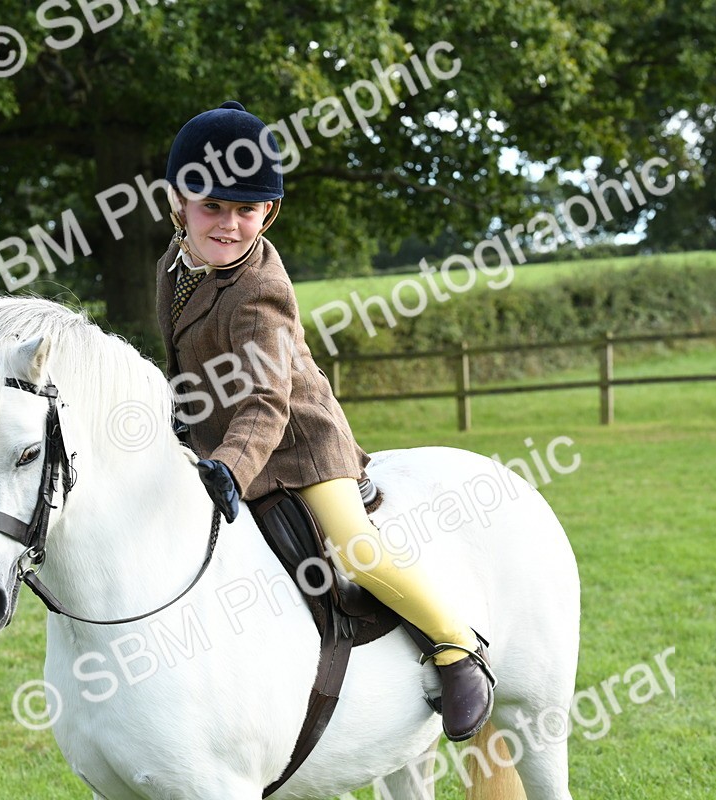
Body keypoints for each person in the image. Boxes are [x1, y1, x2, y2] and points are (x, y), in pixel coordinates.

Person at [156, 100, 494, 741]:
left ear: (269, 212)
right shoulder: (175, 265)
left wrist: (226, 466)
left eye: (246, 210)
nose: (229, 225)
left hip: (298, 442)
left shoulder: (259, 292)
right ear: (179, 203)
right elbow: (181, 361)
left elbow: (264, 404)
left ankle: (456, 646)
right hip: (216, 435)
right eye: (212, 208)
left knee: (354, 548)